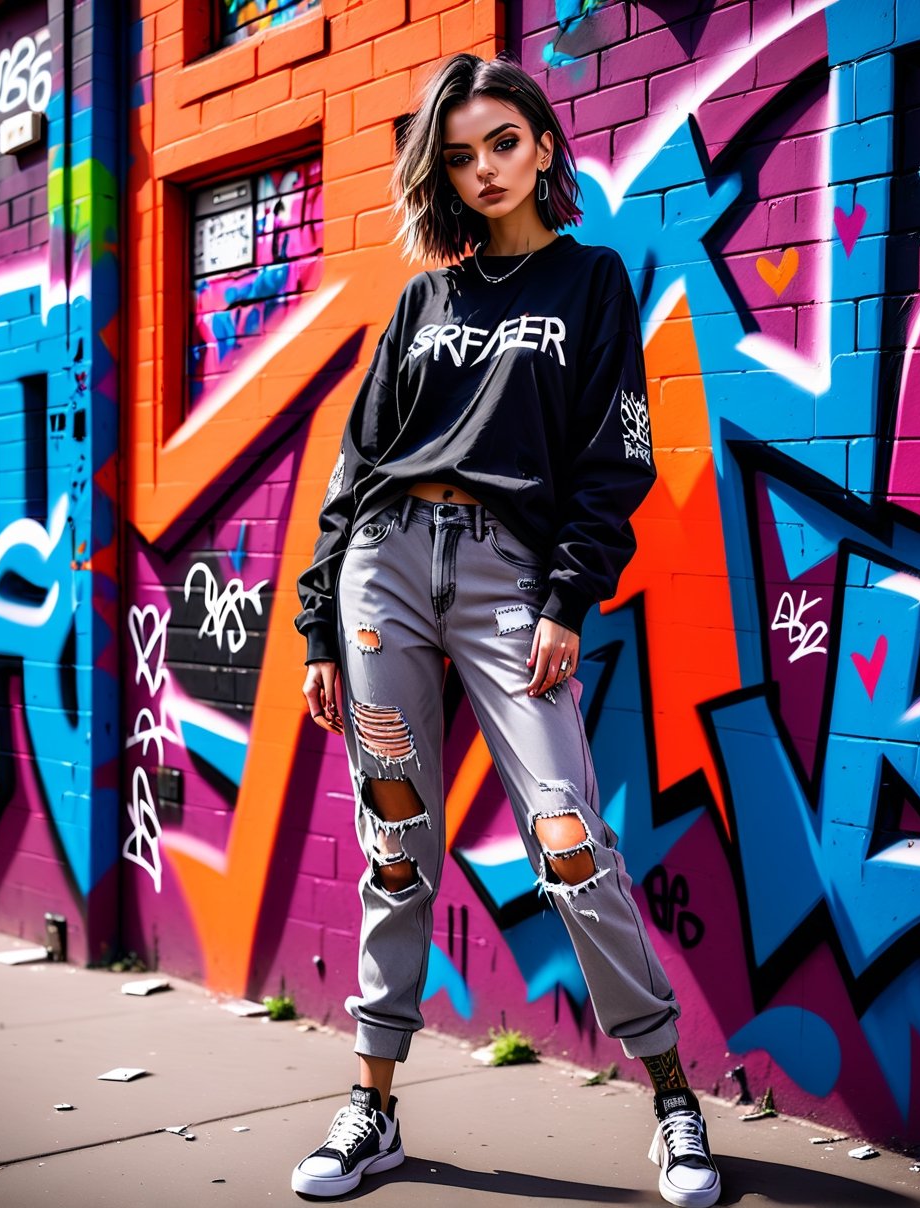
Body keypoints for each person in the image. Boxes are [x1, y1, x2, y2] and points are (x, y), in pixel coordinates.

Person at [290, 50, 721, 1207]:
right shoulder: (426, 299)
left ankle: (673, 1096)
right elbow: (355, 466)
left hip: (504, 580)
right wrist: (319, 627)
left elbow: (613, 461)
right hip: (382, 566)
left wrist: (567, 599)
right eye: (462, 153)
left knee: (568, 829)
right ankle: (372, 1103)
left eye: (504, 143)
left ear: (541, 143)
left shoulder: (592, 283)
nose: (483, 170)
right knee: (397, 843)